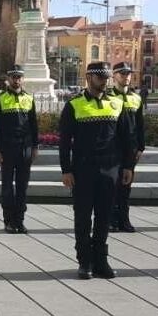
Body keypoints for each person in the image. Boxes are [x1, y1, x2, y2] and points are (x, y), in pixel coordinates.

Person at [58, 62, 135, 280]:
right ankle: (85, 262)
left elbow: (127, 138)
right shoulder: (74, 105)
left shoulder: (117, 104)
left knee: (104, 217)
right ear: (88, 78)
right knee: (82, 218)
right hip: (83, 170)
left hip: (110, 170)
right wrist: (66, 170)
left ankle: (101, 260)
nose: (104, 81)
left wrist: (127, 166)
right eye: (100, 77)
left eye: (107, 77)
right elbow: (64, 142)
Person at [0, 64, 38, 234]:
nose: (16, 80)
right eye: (13, 77)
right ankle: (9, 220)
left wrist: (35, 147)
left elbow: (33, 124)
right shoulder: (0, 99)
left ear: (22, 79)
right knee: (7, 187)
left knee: (23, 186)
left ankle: (20, 220)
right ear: (8, 79)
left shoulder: (29, 98)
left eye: (19, 77)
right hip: (7, 148)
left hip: (25, 148)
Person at [108, 62, 145, 233]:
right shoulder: (108, 98)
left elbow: (140, 125)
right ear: (114, 76)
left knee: (126, 185)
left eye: (128, 74)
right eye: (122, 74)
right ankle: (112, 219)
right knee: (112, 186)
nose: (126, 77)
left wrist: (141, 147)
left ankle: (124, 219)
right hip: (113, 149)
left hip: (130, 149)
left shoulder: (136, 98)